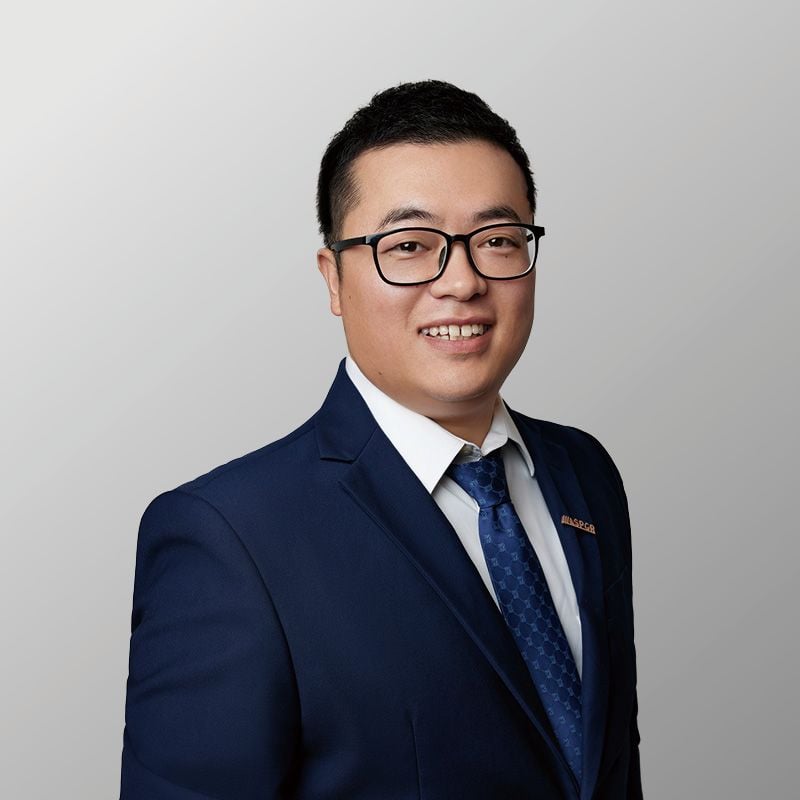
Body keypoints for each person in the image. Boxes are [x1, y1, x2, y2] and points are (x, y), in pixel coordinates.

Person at [120, 80, 642, 799]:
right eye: (410, 246)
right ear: (333, 278)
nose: (461, 282)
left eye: (496, 240)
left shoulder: (583, 473)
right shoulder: (228, 537)